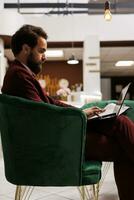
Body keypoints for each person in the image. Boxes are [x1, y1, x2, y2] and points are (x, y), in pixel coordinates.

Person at [1, 24, 134, 200]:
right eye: (41, 51)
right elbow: (44, 114)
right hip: (57, 143)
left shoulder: (19, 74)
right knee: (120, 132)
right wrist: (81, 115)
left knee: (119, 123)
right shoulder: (19, 76)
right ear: (26, 49)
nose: (44, 57)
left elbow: (49, 104)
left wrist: (81, 111)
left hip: (57, 136)